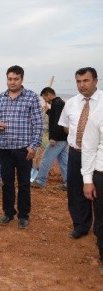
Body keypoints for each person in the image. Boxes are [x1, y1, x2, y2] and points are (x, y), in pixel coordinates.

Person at [0, 65, 43, 229]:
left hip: (24, 149)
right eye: (9, 79)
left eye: (16, 79)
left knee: (23, 184)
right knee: (6, 183)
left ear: (22, 79)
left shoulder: (31, 97)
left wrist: (33, 146)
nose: (12, 82)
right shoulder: (0, 98)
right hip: (5, 148)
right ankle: (8, 213)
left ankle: (23, 215)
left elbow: (38, 124)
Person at [59, 67, 101, 239]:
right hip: (76, 154)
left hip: (99, 155)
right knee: (76, 190)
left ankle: (100, 229)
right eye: (78, 81)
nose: (82, 85)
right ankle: (81, 225)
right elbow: (65, 126)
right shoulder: (71, 103)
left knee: (98, 191)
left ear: (95, 81)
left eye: (86, 80)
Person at [81, 83, 103, 276]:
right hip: (101, 174)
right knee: (101, 220)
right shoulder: (98, 113)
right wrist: (88, 179)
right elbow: (88, 148)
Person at [31, 87, 68, 190]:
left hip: (57, 139)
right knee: (64, 161)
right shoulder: (58, 104)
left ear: (49, 95)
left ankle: (40, 181)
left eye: (44, 97)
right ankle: (69, 183)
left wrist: (54, 138)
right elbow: (55, 117)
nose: (45, 100)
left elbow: (59, 122)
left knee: (46, 159)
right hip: (62, 139)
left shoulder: (57, 104)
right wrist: (47, 111)